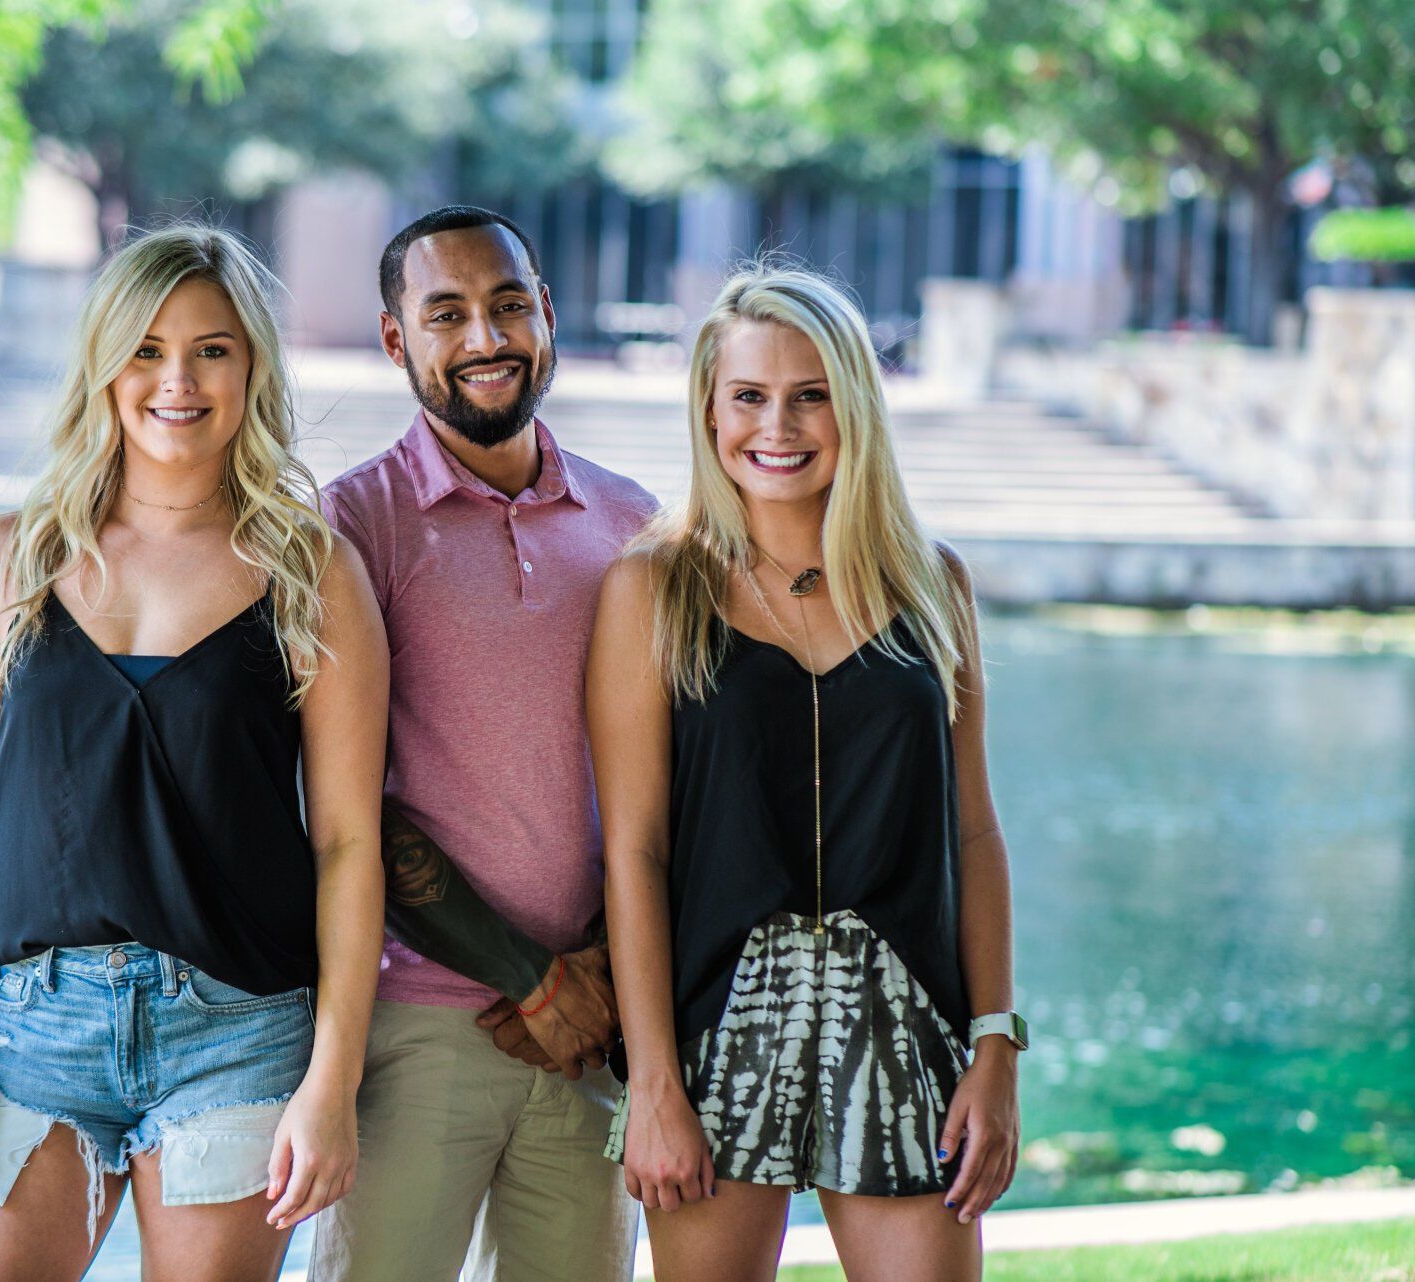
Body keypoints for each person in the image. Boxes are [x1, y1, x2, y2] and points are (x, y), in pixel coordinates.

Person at [0, 224, 388, 1282]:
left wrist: (331, 1082)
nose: (178, 379)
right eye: (147, 349)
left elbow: (350, 843)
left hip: (239, 1031)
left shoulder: (312, 572)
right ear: (105, 363)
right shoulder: (12, 558)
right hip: (32, 1030)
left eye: (212, 349)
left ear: (252, 365)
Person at [590, 261, 1025, 1281]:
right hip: (716, 1023)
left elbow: (974, 830)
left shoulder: (931, 582)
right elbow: (635, 851)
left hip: (906, 1015)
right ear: (709, 407)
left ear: (855, 404)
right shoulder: (652, 587)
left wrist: (995, 1045)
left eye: (810, 394)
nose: (776, 426)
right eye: (749, 396)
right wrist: (653, 1078)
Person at [306, 206, 657, 1282]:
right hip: (414, 1029)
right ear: (395, 339)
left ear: (547, 315)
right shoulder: (351, 526)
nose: (485, 336)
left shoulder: (634, 521)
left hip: (599, 1026)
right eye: (445, 312)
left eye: (508, 304)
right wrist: (528, 976)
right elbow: (340, 806)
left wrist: (594, 981)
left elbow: (668, 781)